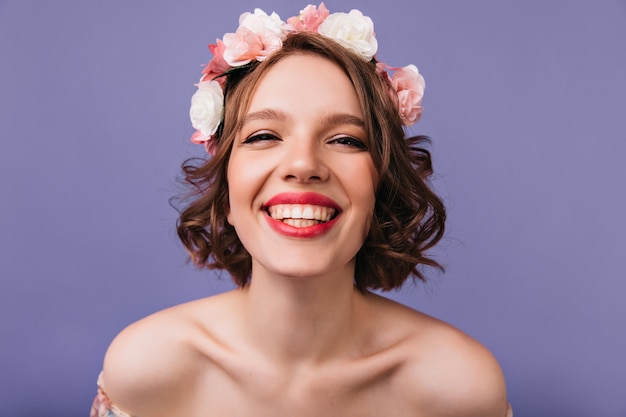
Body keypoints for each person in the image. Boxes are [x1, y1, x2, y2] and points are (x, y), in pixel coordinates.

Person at [91, 4, 512, 417]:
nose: (304, 165)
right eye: (264, 136)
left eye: (346, 140)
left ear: (380, 189)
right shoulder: (147, 369)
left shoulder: (460, 389)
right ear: (225, 192)